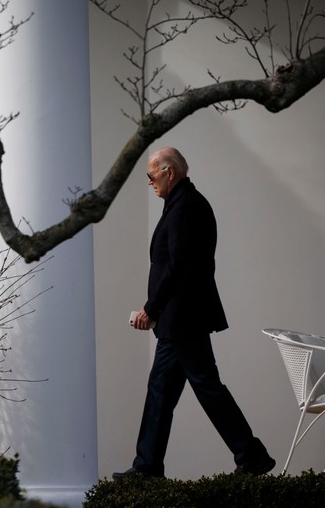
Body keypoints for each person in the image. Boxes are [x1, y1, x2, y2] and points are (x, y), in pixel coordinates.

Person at [113, 147, 275, 479]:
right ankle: (149, 466)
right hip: (180, 319)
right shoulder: (182, 204)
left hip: (183, 319)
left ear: (169, 172)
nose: (149, 182)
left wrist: (150, 308)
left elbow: (178, 266)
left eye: (151, 175)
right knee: (164, 390)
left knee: (202, 386)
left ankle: (250, 455)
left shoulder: (185, 207)